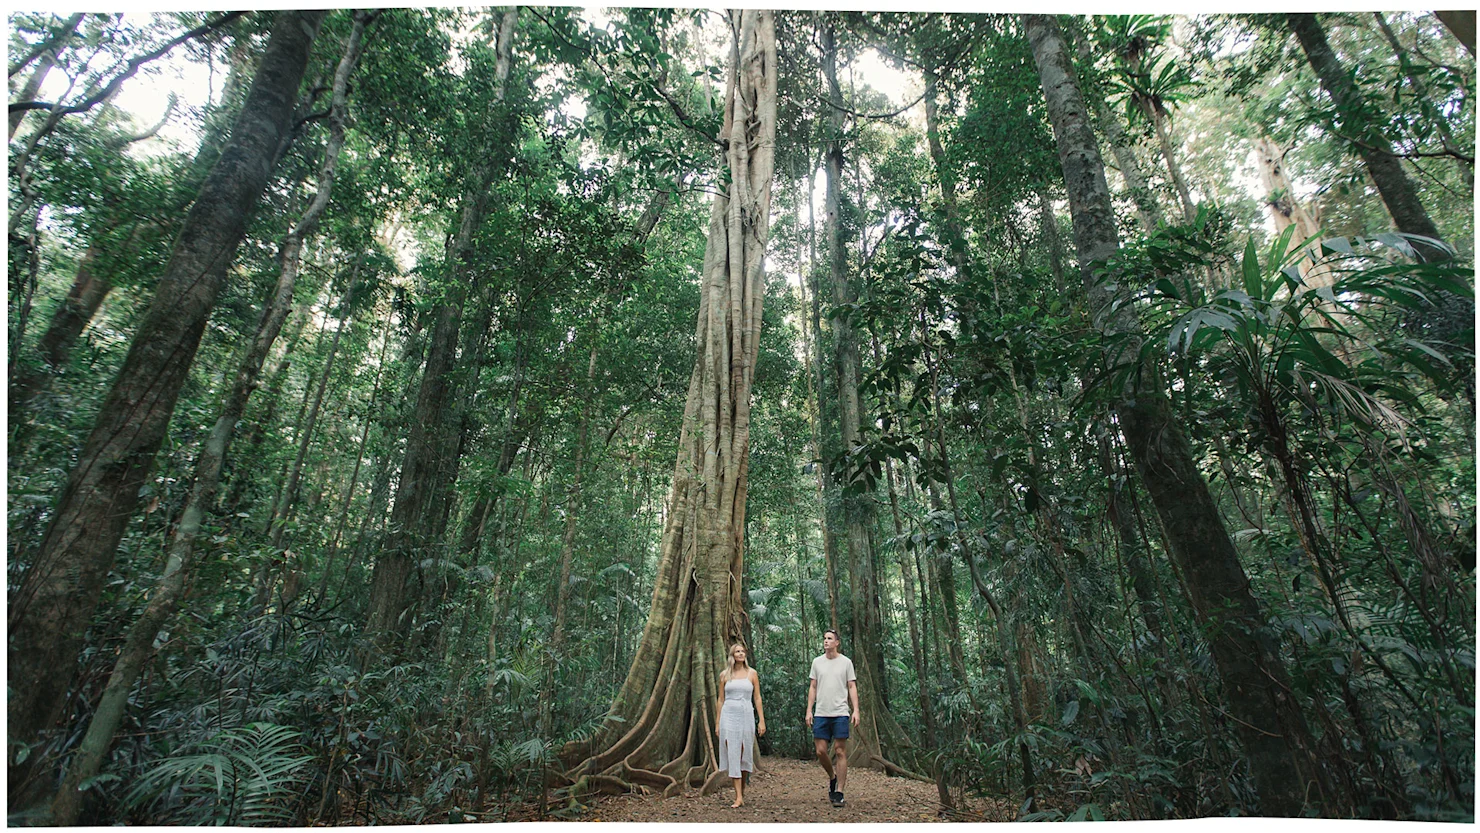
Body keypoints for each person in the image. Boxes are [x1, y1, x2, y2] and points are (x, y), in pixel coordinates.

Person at [805, 629, 858, 808]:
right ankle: (832, 777)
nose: (826, 641)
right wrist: (809, 710)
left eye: (829, 639)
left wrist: (856, 710)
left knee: (840, 751)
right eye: (824, 638)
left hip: (840, 712)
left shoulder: (846, 663)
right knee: (821, 751)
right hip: (821, 712)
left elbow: (851, 686)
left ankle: (839, 792)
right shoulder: (817, 662)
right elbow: (813, 686)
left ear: (837, 643)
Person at [715, 642, 766, 808]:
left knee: (744, 752)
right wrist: (717, 722)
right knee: (733, 751)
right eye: (737, 651)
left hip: (746, 713)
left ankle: (741, 790)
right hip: (728, 714)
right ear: (732, 655)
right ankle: (737, 796)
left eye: (743, 651)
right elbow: (720, 699)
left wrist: (762, 720)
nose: (741, 653)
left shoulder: (752, 674)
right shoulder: (724, 675)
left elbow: (757, 698)